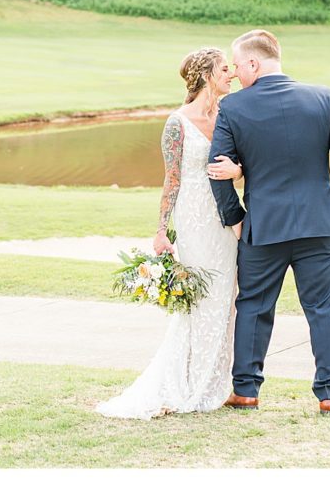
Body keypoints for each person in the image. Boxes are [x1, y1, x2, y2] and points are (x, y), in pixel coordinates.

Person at [208, 29, 330, 414]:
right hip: (319, 224)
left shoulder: (234, 108)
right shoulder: (323, 98)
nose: (237, 74)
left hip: (262, 227)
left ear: (253, 63)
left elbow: (216, 169)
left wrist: (236, 220)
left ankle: (245, 390)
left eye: (238, 65)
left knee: (255, 307)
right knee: (323, 308)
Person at [96, 47, 243, 419]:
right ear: (207, 75)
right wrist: (162, 231)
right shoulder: (176, 124)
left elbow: (244, 163)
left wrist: (239, 173)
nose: (233, 75)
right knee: (202, 298)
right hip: (193, 217)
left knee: (227, 296)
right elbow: (171, 180)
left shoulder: (228, 114)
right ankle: (185, 383)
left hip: (225, 216)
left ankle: (215, 383)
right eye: (225, 69)